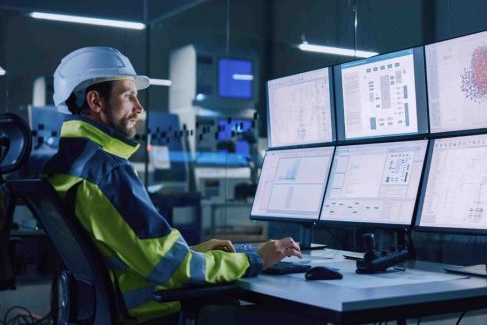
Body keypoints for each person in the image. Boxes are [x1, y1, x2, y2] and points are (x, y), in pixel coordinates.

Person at [43, 47, 302, 324]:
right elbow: (172, 268)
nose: (139, 108)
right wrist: (255, 259)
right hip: (154, 313)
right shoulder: (107, 172)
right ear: (95, 101)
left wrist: (197, 252)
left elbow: (125, 252)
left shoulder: (63, 166)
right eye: (128, 95)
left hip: (102, 311)